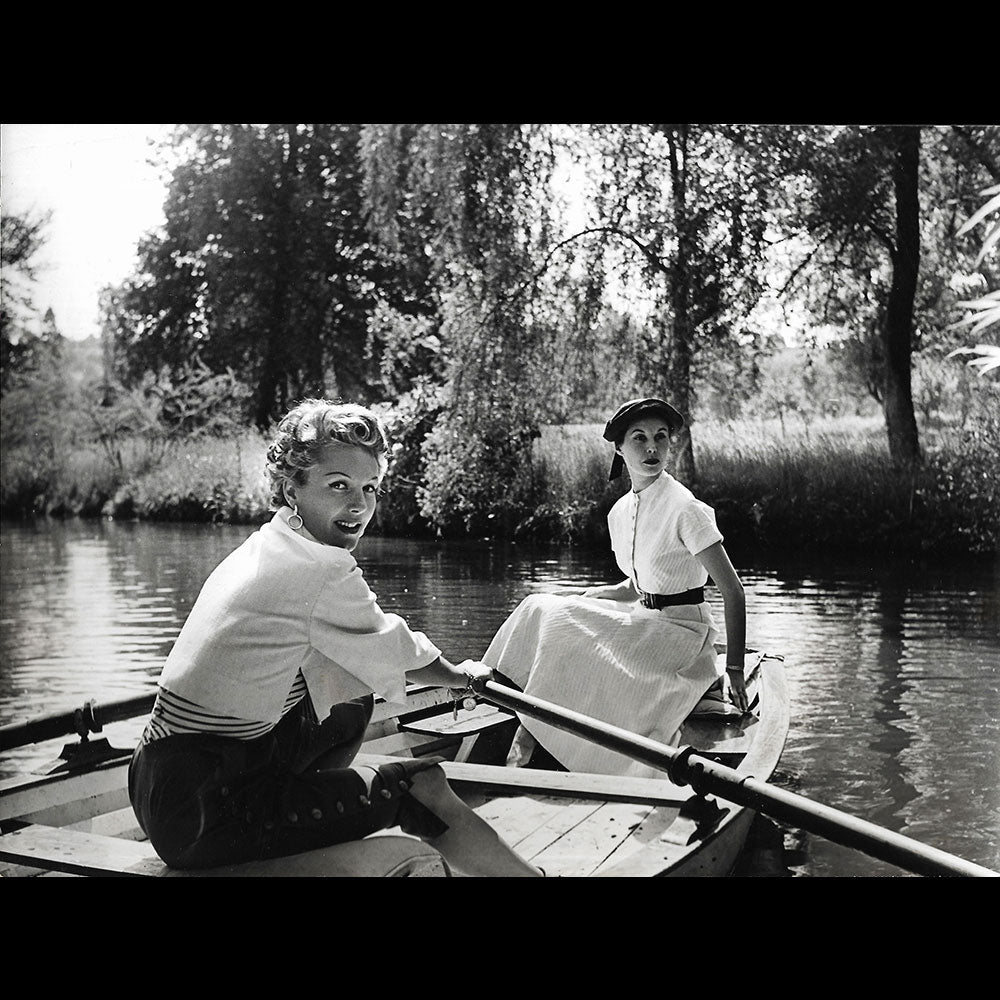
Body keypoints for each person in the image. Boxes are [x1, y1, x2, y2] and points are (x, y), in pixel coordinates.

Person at [128, 398, 541, 877]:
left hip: (157, 785)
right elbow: (397, 648)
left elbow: (374, 648)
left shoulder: (269, 543)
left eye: (370, 487)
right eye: (338, 485)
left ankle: (315, 824)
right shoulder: (318, 567)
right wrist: (463, 677)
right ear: (292, 489)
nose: (359, 505)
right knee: (421, 784)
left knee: (349, 701)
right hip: (206, 811)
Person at [482, 396, 748, 778]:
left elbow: (733, 591)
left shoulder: (685, 508)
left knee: (560, 625)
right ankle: (501, 699)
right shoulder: (620, 512)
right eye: (639, 438)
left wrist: (734, 668)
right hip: (645, 623)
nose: (652, 448)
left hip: (683, 636)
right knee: (538, 605)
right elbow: (638, 586)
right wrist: (588, 595)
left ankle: (527, 744)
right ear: (619, 449)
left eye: (660, 437)